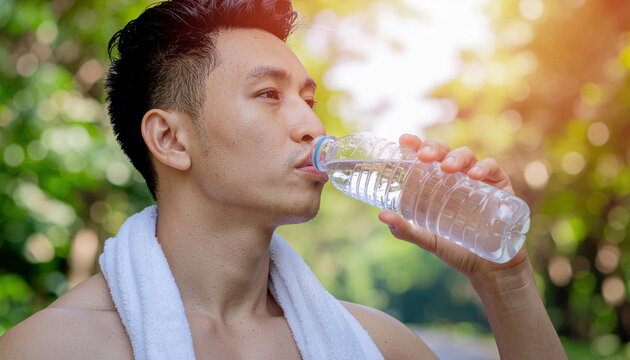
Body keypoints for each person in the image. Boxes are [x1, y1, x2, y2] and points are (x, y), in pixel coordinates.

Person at [0, 0, 567, 359]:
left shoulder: (373, 342)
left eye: (309, 99)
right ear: (171, 140)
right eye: (269, 95)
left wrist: (506, 282)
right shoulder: (54, 347)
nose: (312, 125)